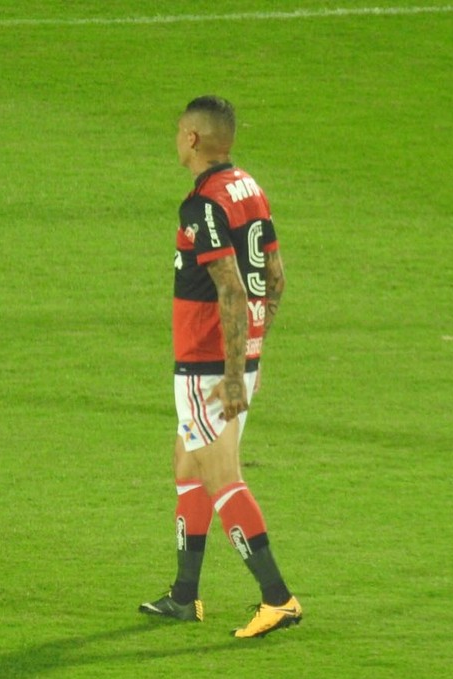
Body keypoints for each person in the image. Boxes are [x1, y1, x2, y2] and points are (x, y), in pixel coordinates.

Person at [139, 96, 302, 638]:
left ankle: (277, 598)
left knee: (221, 476)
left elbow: (231, 288)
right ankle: (185, 596)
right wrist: (253, 345)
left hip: (210, 365)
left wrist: (232, 373)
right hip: (231, 356)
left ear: (192, 139)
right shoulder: (248, 189)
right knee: (187, 468)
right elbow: (275, 279)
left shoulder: (204, 205)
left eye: (178, 131)